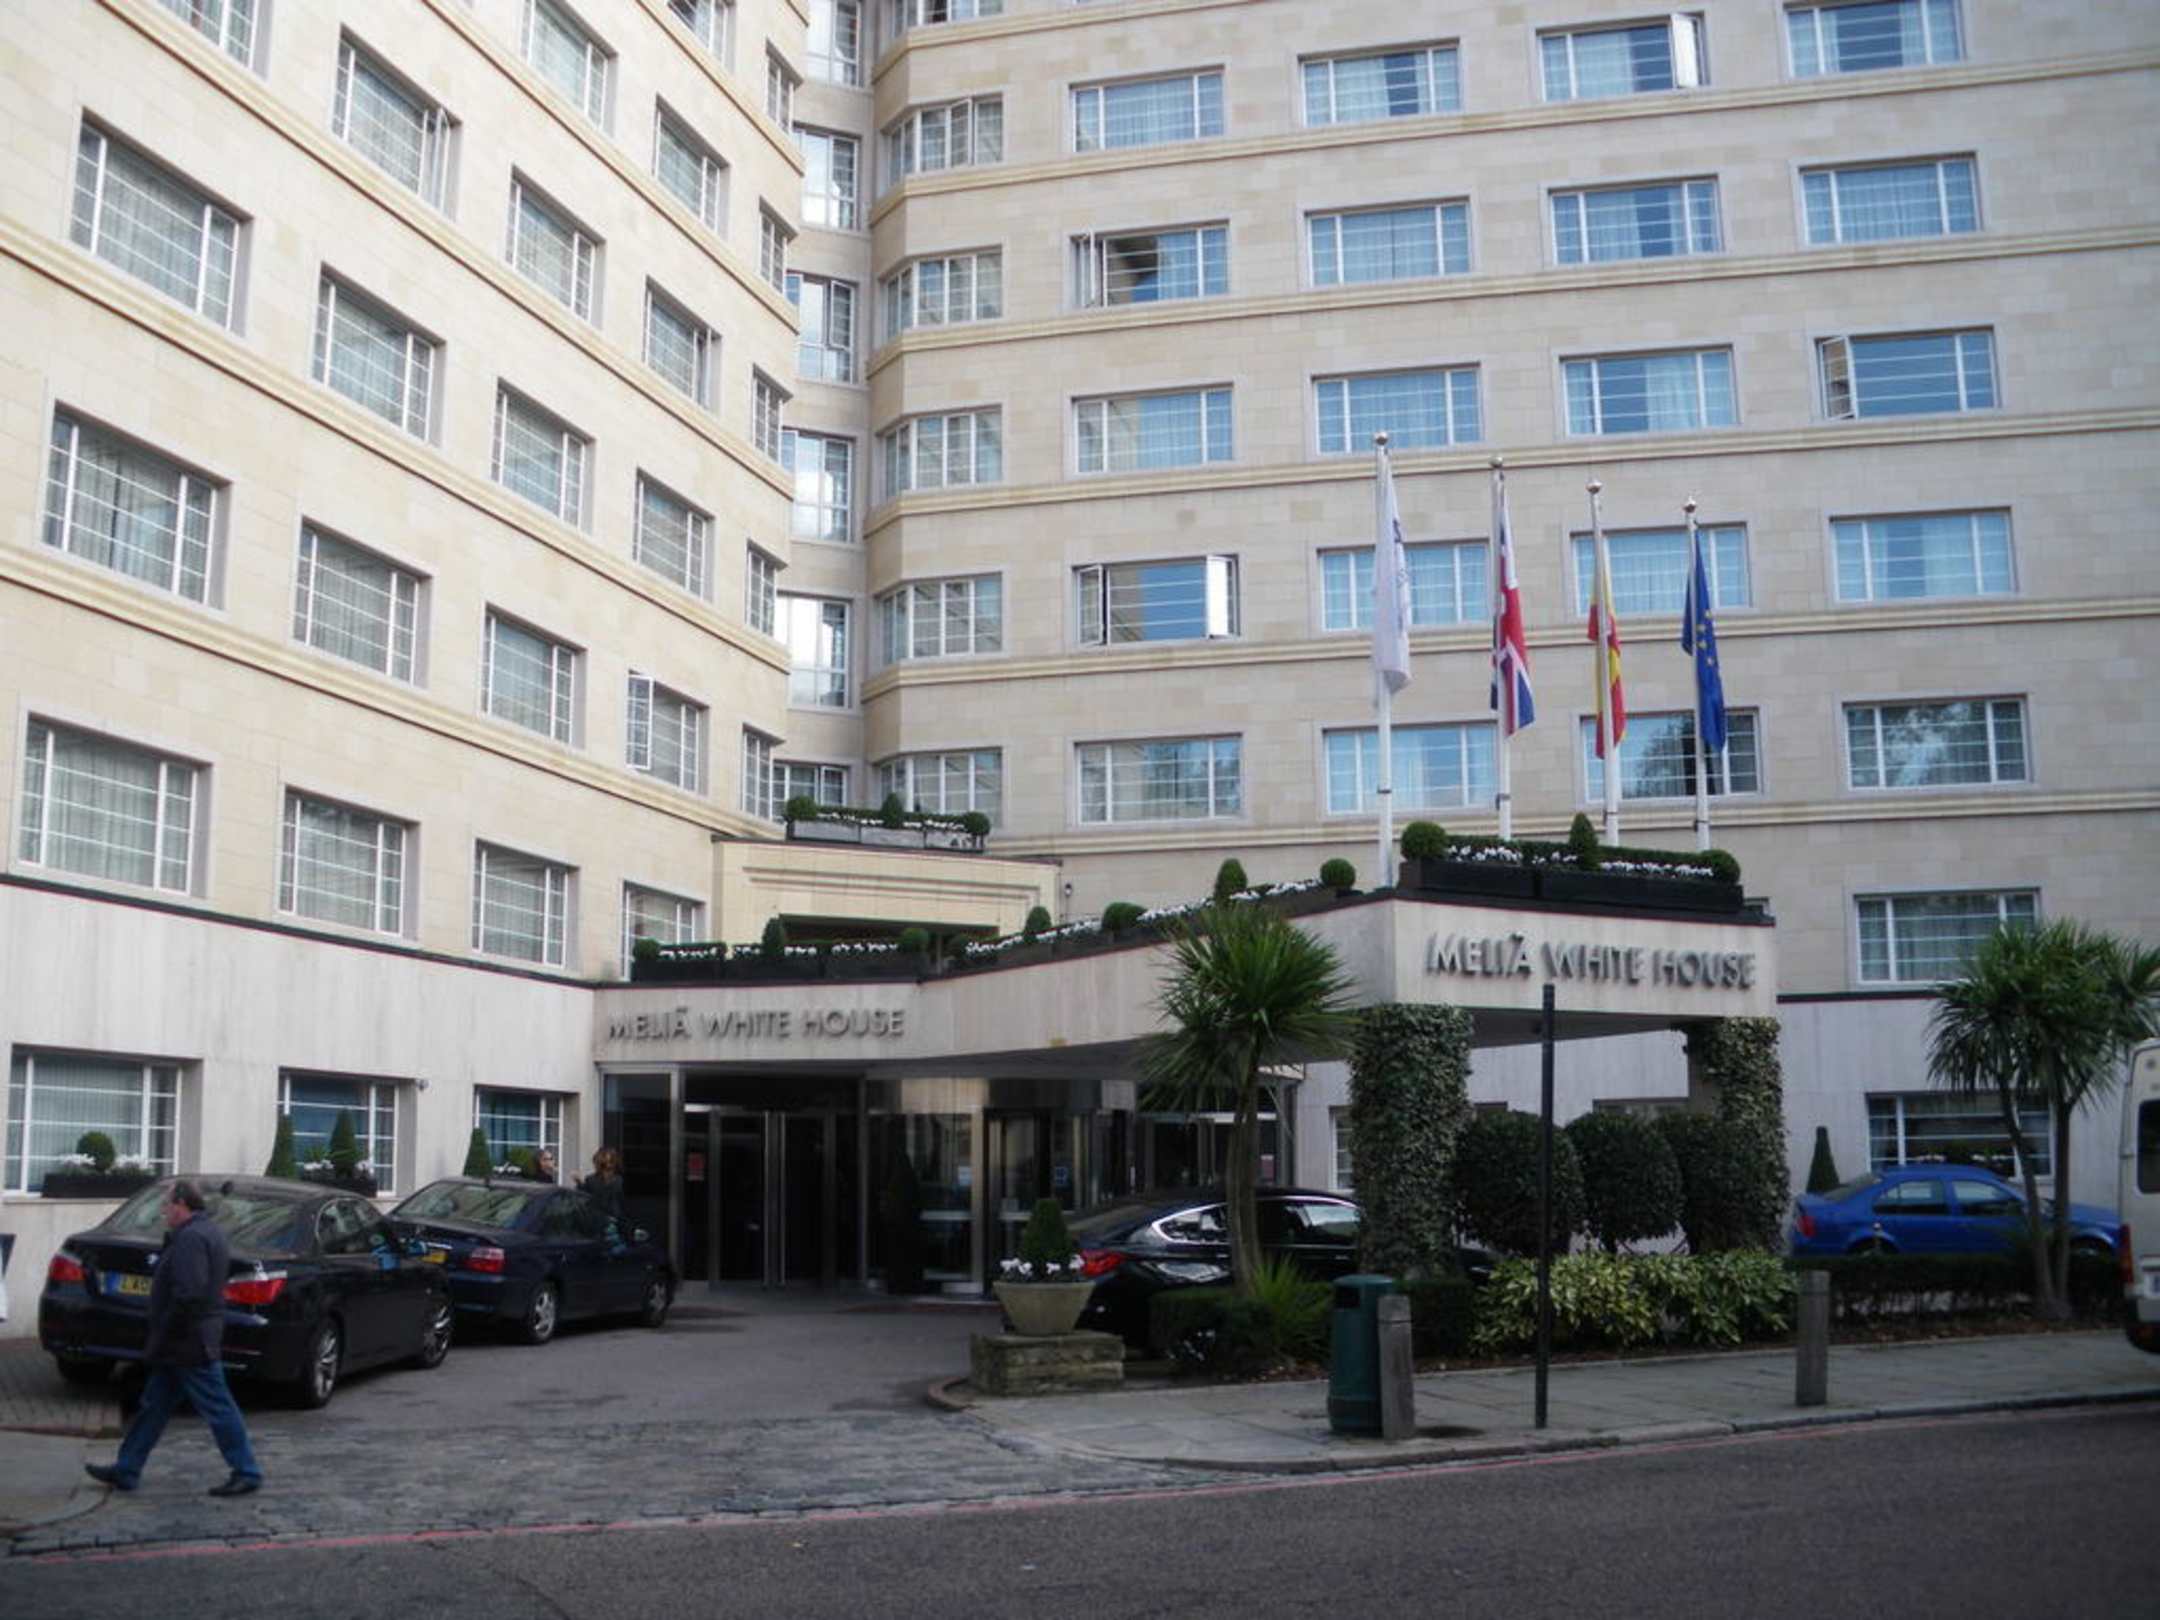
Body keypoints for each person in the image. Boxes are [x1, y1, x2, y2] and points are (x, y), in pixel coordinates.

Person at [86, 1180, 264, 1497]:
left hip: (189, 1340)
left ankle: (246, 1470)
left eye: (166, 1205)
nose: (163, 1211)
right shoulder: (206, 1231)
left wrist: (166, 1330)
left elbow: (189, 1294)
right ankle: (127, 1468)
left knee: (218, 1406)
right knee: (153, 1406)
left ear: (181, 1204)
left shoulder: (191, 1238)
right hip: (186, 1339)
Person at [581, 1148, 624, 1220]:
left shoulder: (619, 1180)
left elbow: (623, 1203)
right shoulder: (590, 1180)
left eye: (612, 1161)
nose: (610, 1166)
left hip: (614, 1219)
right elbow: (585, 1199)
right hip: (598, 1219)